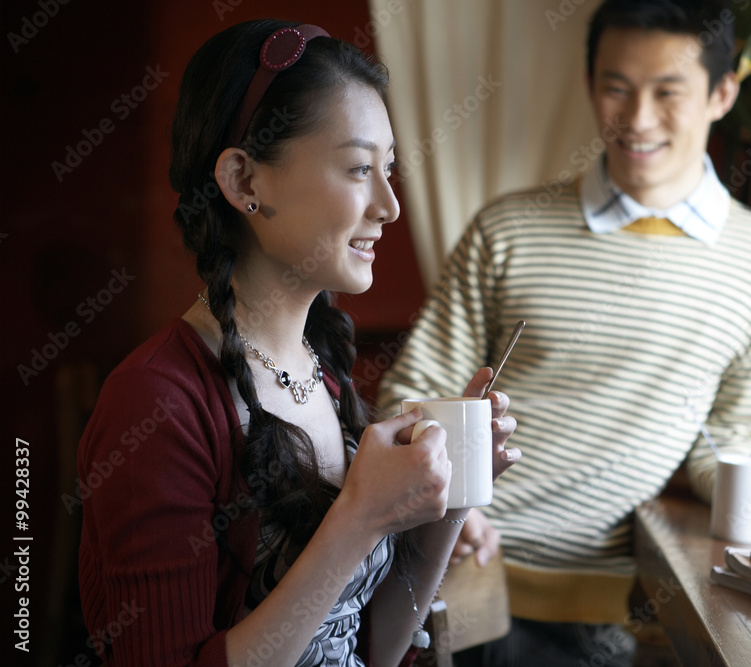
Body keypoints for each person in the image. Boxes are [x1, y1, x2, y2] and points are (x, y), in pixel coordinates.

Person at [377, 1, 751, 665]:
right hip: (453, 580)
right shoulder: (507, 231)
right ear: (591, 87)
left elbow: (725, 445)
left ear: (723, 93)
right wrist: (445, 494)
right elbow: (410, 394)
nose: (636, 119)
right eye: (616, 88)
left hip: (612, 610)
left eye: (668, 92)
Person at [76, 19, 520, 667]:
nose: (391, 204)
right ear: (244, 182)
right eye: (359, 168)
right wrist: (361, 516)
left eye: (389, 170)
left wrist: (450, 492)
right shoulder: (156, 405)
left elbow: (374, 647)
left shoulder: (324, 374)